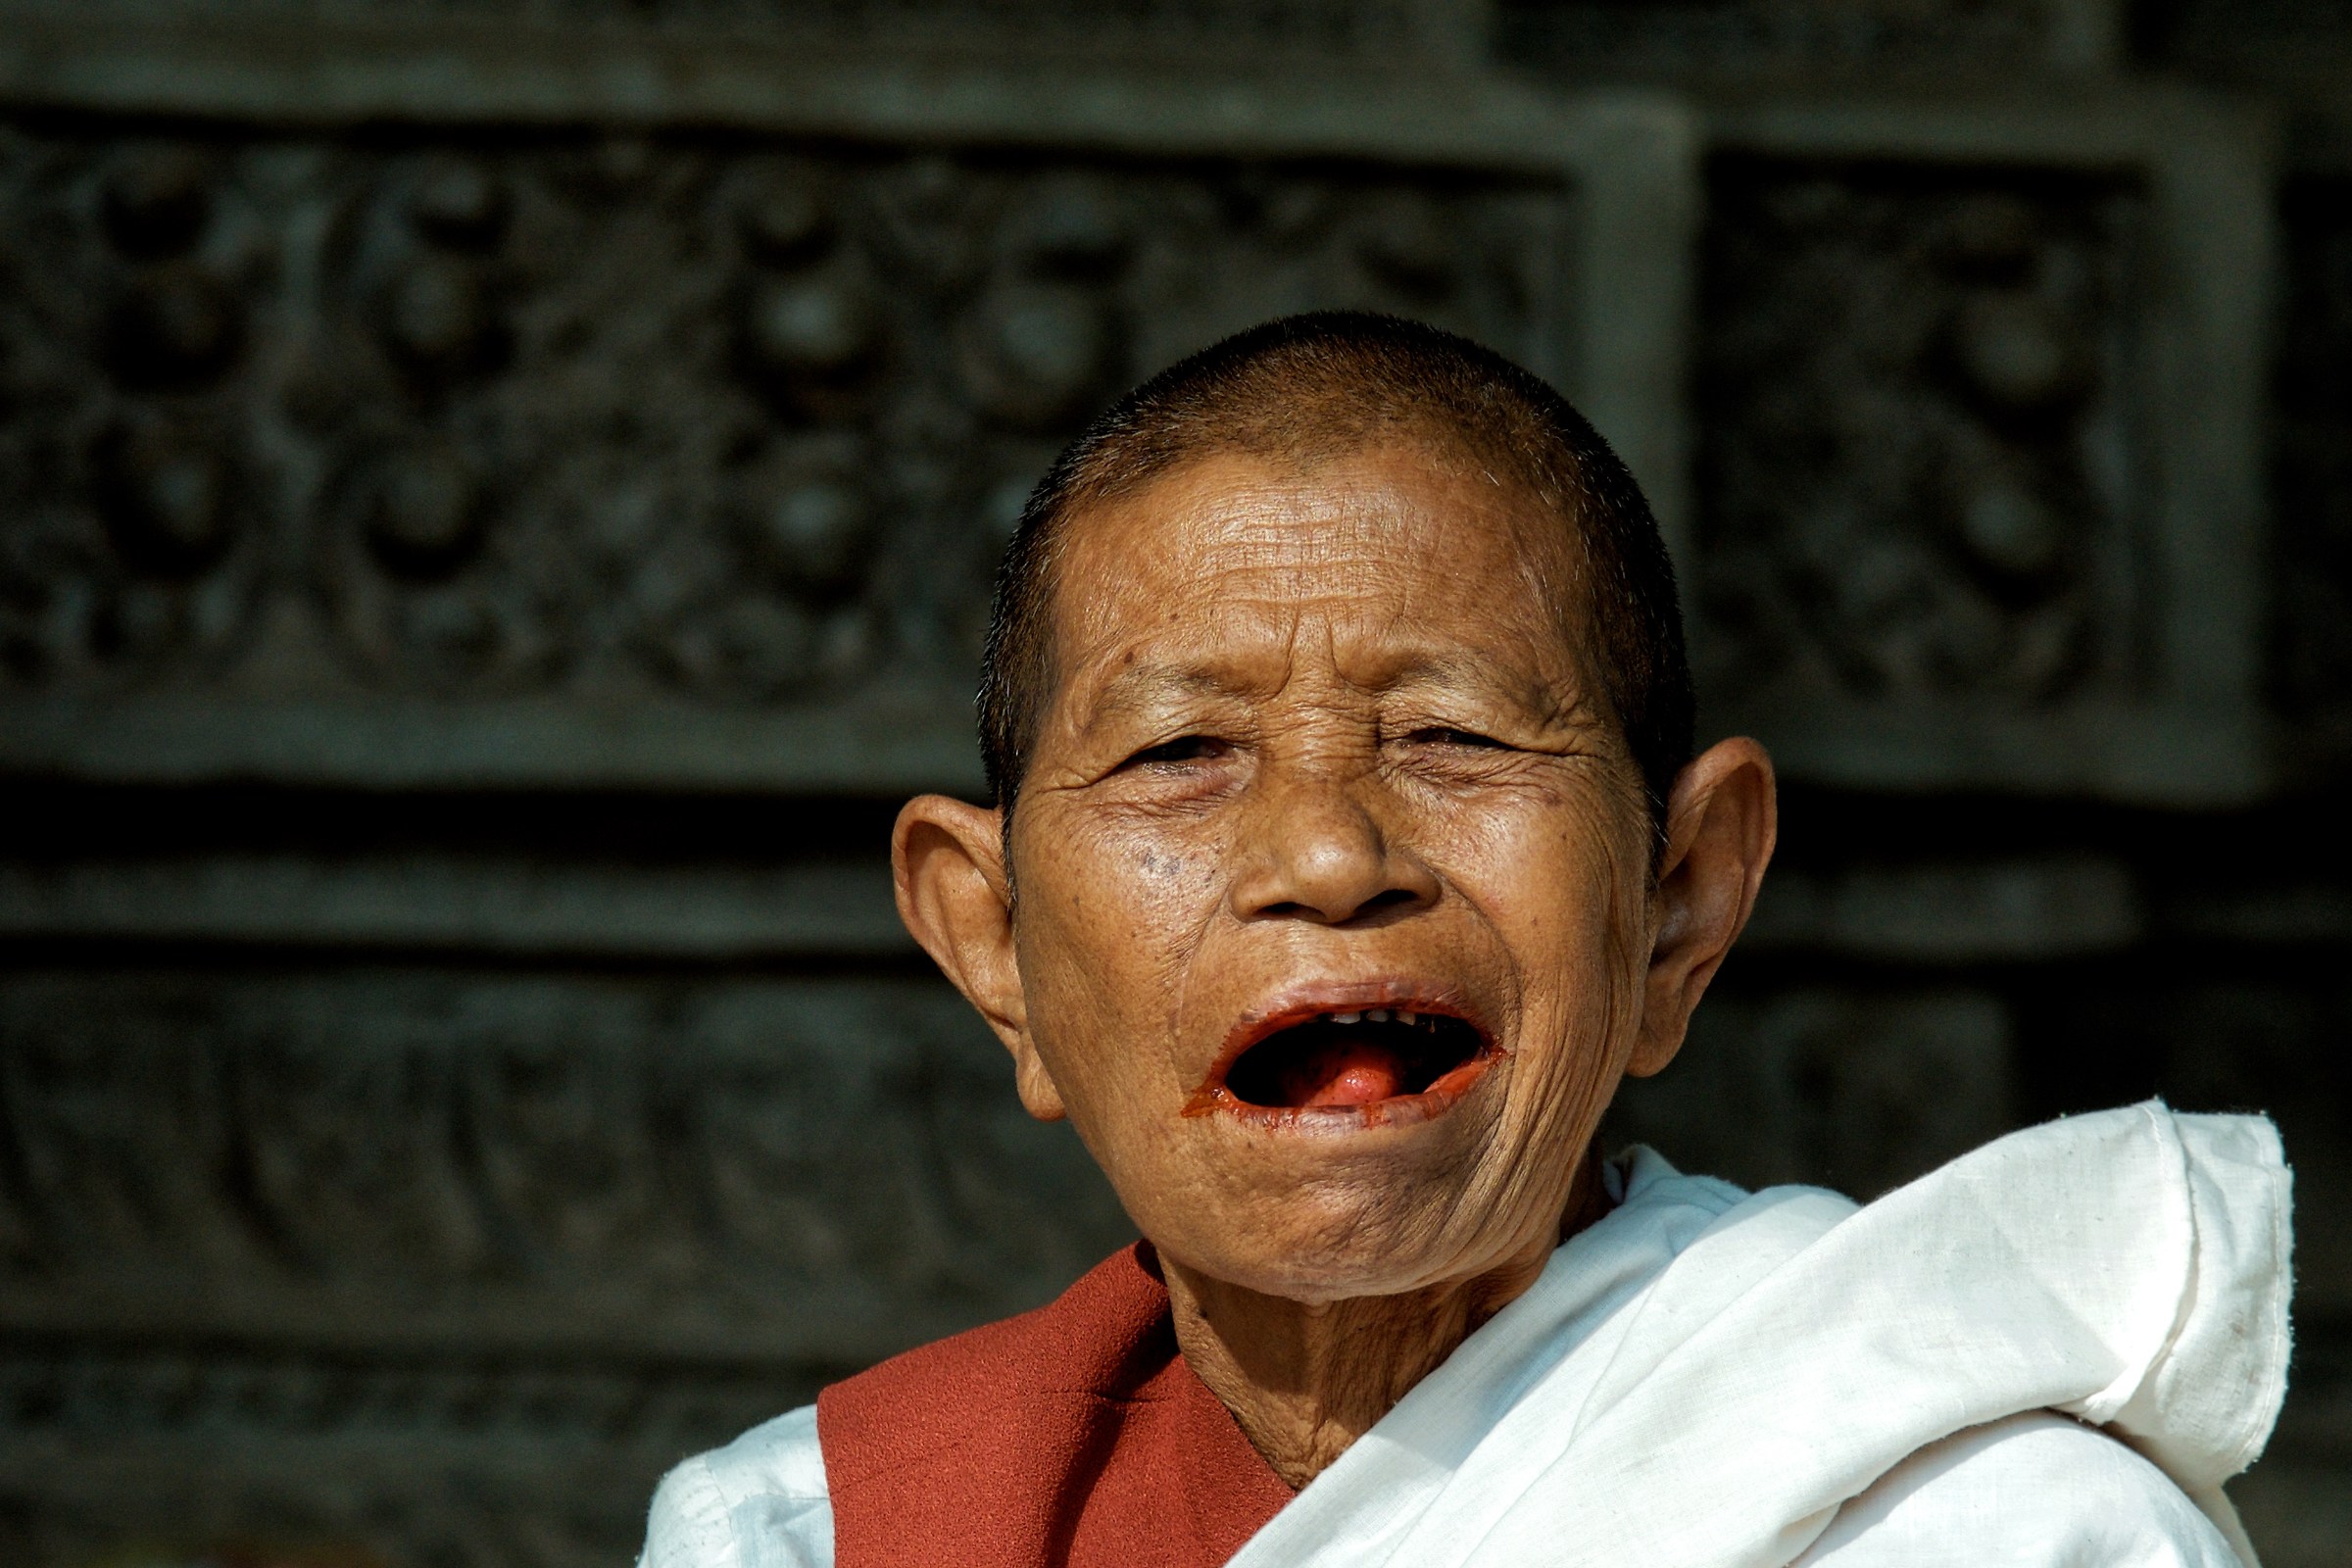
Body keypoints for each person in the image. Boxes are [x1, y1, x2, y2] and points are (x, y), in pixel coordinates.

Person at [639, 314, 2290, 1568]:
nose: (1327, 857)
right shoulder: (818, 1534)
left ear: (1682, 900)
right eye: (1179, 756)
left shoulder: (1978, 1527)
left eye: (1456, 739)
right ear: (993, 944)